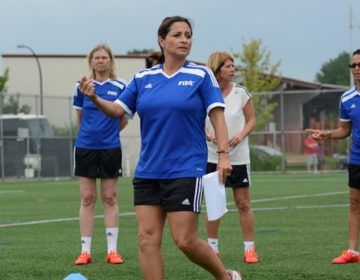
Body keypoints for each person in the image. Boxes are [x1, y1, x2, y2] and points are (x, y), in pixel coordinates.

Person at [79, 16, 241, 280]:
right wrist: (94, 97)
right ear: (162, 40)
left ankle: (225, 277)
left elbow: (218, 118)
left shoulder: (201, 75)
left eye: (188, 35)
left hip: (186, 169)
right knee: (146, 239)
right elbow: (117, 110)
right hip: (148, 171)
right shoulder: (143, 78)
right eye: (177, 35)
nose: (184, 40)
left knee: (185, 240)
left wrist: (223, 156)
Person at [73, 44, 128, 265]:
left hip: (111, 148)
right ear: (91, 61)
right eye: (96, 57)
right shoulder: (82, 86)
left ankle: (112, 250)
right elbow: (80, 119)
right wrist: (90, 136)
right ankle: (85, 251)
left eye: (104, 57)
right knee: (87, 198)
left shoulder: (121, 86)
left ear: (111, 61)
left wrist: (108, 134)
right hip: (86, 147)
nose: (100, 61)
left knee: (109, 198)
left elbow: (123, 118)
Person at [306, 48, 360, 264]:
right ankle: (352, 251)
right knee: (355, 204)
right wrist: (326, 135)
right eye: (353, 65)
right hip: (356, 159)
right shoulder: (346, 98)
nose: (356, 69)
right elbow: (344, 130)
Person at [205, 52, 258, 264]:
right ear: (217, 69)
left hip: (238, 157)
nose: (232, 69)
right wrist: (207, 134)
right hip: (211, 156)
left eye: (233, 66)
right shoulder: (206, 92)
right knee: (214, 204)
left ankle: (249, 249)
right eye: (228, 66)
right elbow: (197, 119)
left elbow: (252, 119)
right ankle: (212, 248)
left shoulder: (241, 93)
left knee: (243, 203)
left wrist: (241, 134)